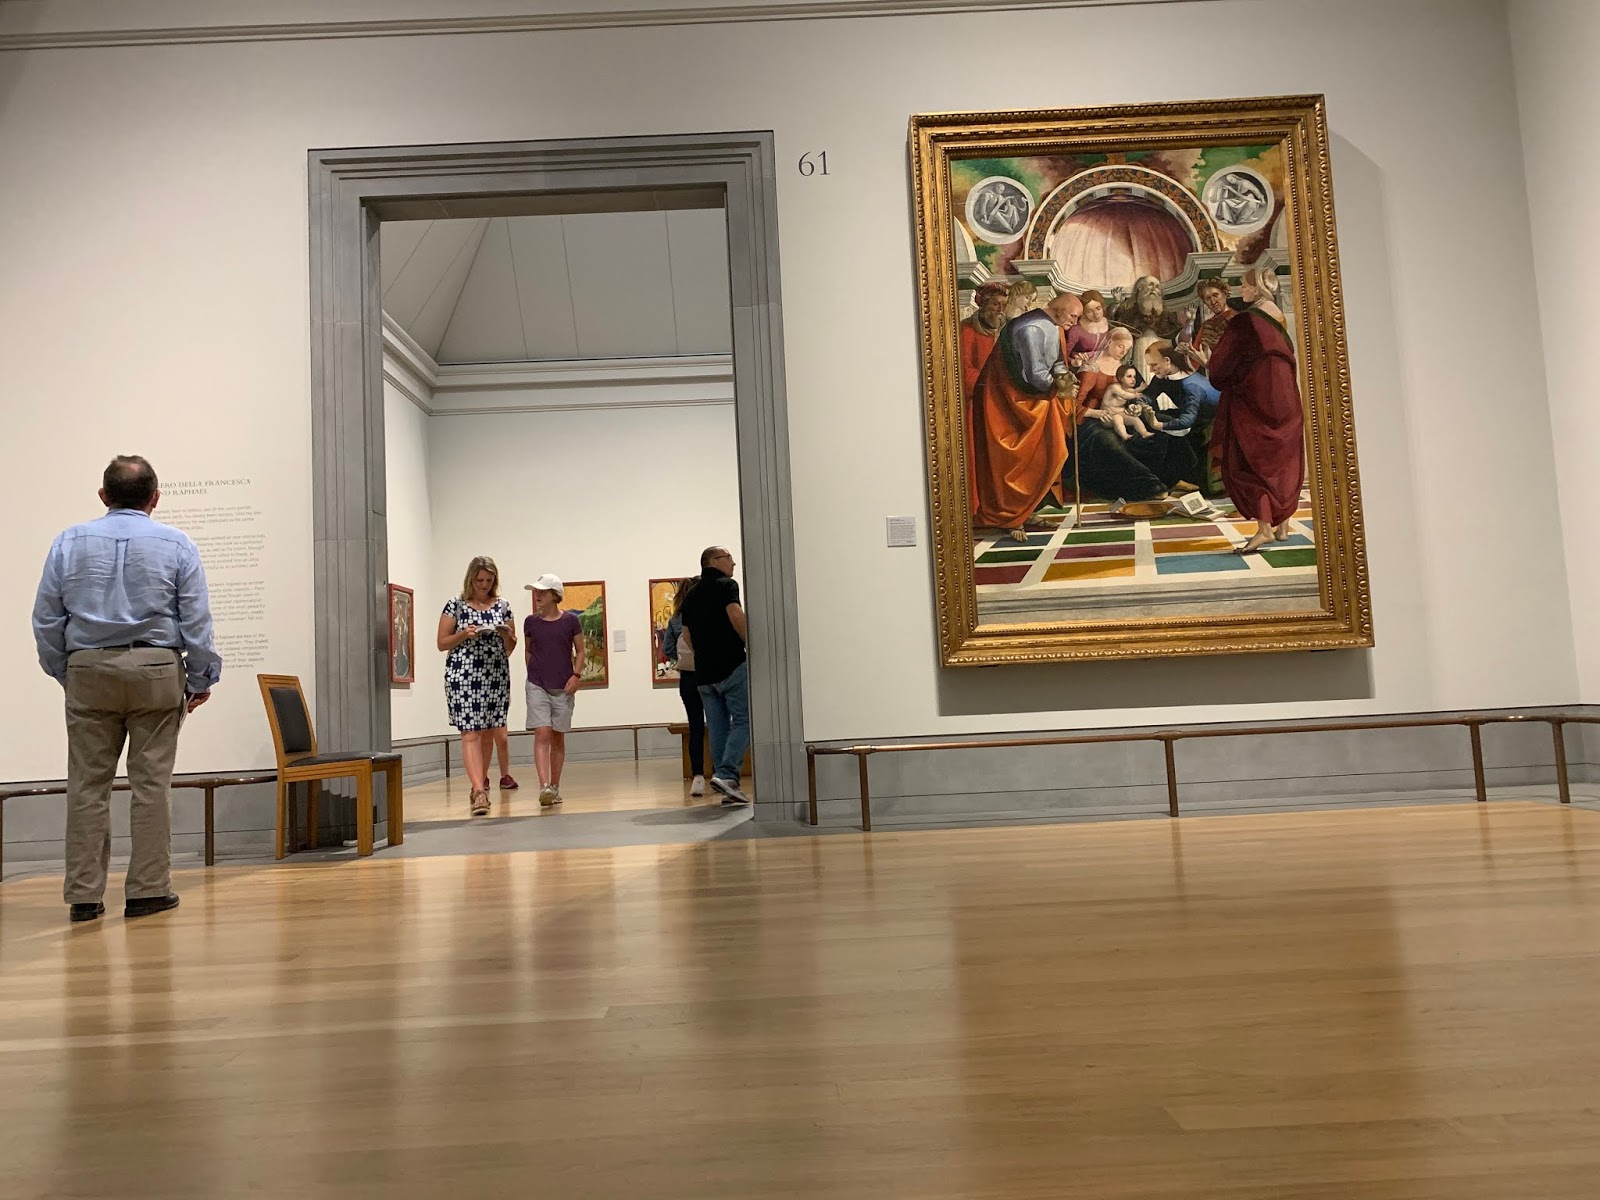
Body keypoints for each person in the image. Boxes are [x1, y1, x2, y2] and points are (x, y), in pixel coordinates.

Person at [32, 455, 220, 923]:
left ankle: (84, 896)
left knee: (87, 786)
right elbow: (196, 620)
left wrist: (67, 671)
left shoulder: (68, 541)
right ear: (155, 497)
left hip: (88, 669)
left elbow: (47, 619)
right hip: (156, 670)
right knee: (151, 784)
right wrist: (201, 678)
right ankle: (148, 891)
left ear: (103, 496)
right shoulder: (177, 544)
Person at [1207, 268, 1306, 554]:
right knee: (1283, 459)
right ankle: (1283, 525)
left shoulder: (1245, 321)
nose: (1241, 291)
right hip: (1286, 400)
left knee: (1253, 461)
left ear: (1256, 289)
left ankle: (1264, 530)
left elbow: (1220, 367)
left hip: (1255, 401)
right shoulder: (1280, 319)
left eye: (1244, 286)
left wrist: (1211, 363)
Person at [970, 291, 1082, 540]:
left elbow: (1056, 363)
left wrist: (1065, 377)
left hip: (1034, 401)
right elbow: (1034, 375)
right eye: (1073, 316)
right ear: (1059, 309)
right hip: (1007, 405)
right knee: (1012, 460)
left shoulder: (1054, 327)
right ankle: (1009, 517)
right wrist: (1060, 388)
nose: (1074, 322)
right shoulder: (1030, 328)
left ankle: (1026, 510)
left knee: (1053, 452)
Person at [437, 556, 516, 817]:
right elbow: (442, 642)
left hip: (494, 675)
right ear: (471, 579)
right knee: (470, 732)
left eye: (489, 580)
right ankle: (479, 791)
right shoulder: (456, 605)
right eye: (480, 580)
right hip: (464, 674)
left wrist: (507, 636)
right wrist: (464, 634)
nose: (484, 585)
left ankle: (480, 781)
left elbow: (509, 648)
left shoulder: (503, 606)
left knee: (488, 731)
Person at [681, 546, 751, 806]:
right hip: (731, 665)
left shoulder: (691, 594)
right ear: (713, 561)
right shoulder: (727, 585)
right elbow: (735, 614)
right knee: (745, 721)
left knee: (717, 727)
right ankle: (727, 774)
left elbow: (686, 635)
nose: (733, 563)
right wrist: (749, 643)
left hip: (704, 674)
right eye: (729, 558)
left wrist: (703, 653)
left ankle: (727, 786)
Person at [523, 573, 585, 808]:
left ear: (554, 595)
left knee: (558, 735)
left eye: (542, 592)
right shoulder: (531, 622)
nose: (537, 595)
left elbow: (580, 650)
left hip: (563, 686)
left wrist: (576, 675)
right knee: (542, 732)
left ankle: (555, 786)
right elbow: (528, 650)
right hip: (537, 684)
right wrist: (532, 670)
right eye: (536, 592)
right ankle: (544, 785)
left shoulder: (570, 621)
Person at [1142, 340, 1221, 494]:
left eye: (1154, 365)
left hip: (1212, 423)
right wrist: (1139, 403)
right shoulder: (1162, 376)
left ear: (1167, 361)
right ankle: (1169, 480)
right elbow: (1148, 395)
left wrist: (1158, 425)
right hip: (1194, 417)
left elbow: (1187, 421)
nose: (1151, 370)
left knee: (1167, 430)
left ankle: (1179, 481)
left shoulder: (1191, 387)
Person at [661, 577, 706, 798]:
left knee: (695, 727)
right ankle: (723, 773)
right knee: (717, 723)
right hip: (710, 674)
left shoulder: (676, 619)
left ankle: (698, 776)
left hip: (688, 678)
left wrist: (681, 659)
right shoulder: (707, 614)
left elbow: (668, 648)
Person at [1099, 365, 1163, 440]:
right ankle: (1124, 435)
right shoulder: (1114, 387)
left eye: (1134, 377)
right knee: (1118, 418)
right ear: (1120, 378)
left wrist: (1141, 388)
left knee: (1134, 419)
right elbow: (1124, 395)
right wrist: (1136, 395)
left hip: (1121, 413)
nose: (1133, 379)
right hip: (1107, 416)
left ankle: (1144, 433)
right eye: (1129, 376)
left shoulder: (1127, 388)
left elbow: (1134, 391)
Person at [1064, 290, 1112, 372]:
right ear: (1084, 313)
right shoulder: (1076, 330)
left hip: (1105, 366)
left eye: (1098, 308)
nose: (1096, 314)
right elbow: (1063, 356)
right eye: (1089, 311)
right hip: (1081, 369)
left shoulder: (1110, 325)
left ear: (1103, 307)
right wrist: (1075, 360)